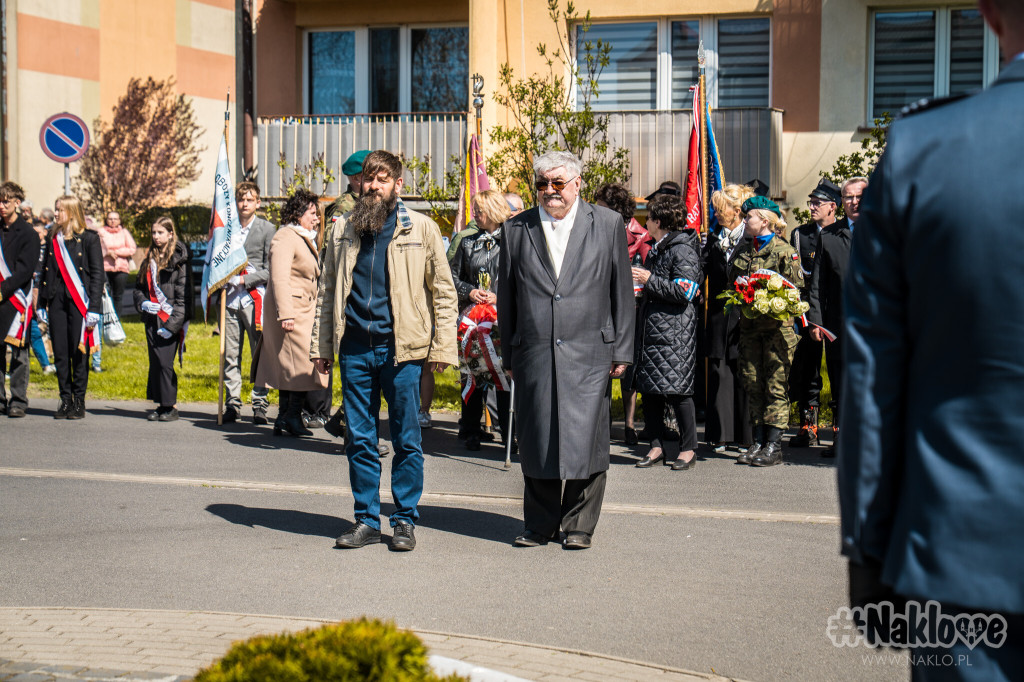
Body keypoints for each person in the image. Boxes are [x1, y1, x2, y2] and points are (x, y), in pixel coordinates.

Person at [841, 2, 1024, 677]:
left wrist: (868, 548)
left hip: (962, 552)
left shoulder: (927, 149)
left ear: (989, 13)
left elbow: (873, 376)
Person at [311, 150, 458, 552]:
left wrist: (443, 346)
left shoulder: (421, 229)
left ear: (398, 184)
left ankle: (405, 520)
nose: (372, 186)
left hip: (402, 352)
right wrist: (322, 344)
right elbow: (327, 292)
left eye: (381, 179)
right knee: (358, 438)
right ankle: (366, 520)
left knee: (407, 439)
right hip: (355, 349)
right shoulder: (342, 229)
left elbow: (444, 292)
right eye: (367, 179)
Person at [498, 150, 634, 550]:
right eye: (542, 184)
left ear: (577, 183)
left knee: (586, 440)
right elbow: (507, 299)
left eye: (558, 183)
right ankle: (539, 525)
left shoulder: (607, 223)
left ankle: (579, 526)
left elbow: (621, 292)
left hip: (591, 350)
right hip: (534, 351)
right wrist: (508, 354)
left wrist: (622, 350)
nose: (550, 191)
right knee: (538, 438)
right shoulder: (515, 229)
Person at [728, 196, 803, 467]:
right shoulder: (745, 250)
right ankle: (758, 441)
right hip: (749, 329)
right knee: (753, 382)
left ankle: (774, 445)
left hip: (776, 331)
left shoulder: (783, 250)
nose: (745, 220)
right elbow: (731, 279)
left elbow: (795, 290)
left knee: (775, 385)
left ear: (765, 220)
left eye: (749, 217)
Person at [630, 193, 702, 470]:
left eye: (647, 218)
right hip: (653, 330)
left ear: (658, 221)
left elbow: (685, 291)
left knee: (678, 391)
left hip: (674, 334)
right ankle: (656, 445)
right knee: (650, 390)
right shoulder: (661, 247)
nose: (645, 222)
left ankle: (688, 449)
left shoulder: (682, 249)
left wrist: (649, 280)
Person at [255, 189, 328, 437]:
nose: (317, 218)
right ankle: (291, 417)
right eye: (312, 213)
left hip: (302, 311)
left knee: (294, 366)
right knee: (298, 366)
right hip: (292, 313)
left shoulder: (303, 237)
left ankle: (284, 417)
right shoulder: (286, 237)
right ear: (298, 214)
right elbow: (279, 277)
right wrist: (285, 313)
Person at [807, 176, 865, 457]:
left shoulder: (886, 231)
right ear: (840, 202)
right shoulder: (829, 236)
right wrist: (816, 321)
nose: (854, 201)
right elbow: (817, 284)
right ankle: (842, 440)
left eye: (859, 196)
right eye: (848, 197)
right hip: (838, 325)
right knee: (840, 384)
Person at [450, 188, 511, 451]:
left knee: (503, 375)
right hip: (472, 320)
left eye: (480, 209)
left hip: (502, 320)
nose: (475, 213)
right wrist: (469, 291)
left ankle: (510, 434)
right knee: (473, 373)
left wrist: (499, 297)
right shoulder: (466, 242)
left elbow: (521, 279)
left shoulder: (512, 242)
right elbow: (450, 277)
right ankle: (471, 430)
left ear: (495, 211)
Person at [38, 195, 104, 419]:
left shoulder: (89, 238)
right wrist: (41, 302)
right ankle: (65, 399)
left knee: (79, 352)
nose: (56, 214)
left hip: (80, 303)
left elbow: (97, 275)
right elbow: (46, 270)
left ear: (72, 212)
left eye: (60, 210)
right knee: (60, 352)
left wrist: (94, 307)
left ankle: (79, 401)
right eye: (56, 210)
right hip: (57, 301)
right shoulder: (53, 236)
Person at [593, 183, 649, 445]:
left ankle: (629, 423)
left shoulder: (641, 236)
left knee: (627, 367)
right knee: (601, 365)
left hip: (630, 307)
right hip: (600, 305)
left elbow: (648, 270)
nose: (595, 211)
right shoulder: (594, 230)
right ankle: (599, 423)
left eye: (601, 206)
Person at [787, 178, 840, 448]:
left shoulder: (842, 233)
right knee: (807, 366)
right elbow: (799, 277)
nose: (811, 207)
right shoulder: (800, 234)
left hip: (836, 309)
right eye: (811, 202)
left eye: (817, 203)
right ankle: (808, 423)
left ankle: (839, 424)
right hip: (808, 309)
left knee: (837, 367)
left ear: (833, 206)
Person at [704, 183, 755, 452]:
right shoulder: (713, 240)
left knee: (742, 374)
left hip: (742, 317)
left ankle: (745, 436)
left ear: (736, 211)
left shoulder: (751, 239)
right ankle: (720, 434)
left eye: (719, 208)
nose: (715, 213)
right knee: (719, 372)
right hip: (717, 316)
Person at [221, 181, 275, 424]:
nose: (244, 204)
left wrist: (245, 281)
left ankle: (259, 404)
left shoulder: (267, 229)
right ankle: (232, 403)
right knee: (230, 354)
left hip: (254, 300)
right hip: (230, 301)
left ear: (258, 203)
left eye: (250, 199)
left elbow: (271, 269)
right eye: (241, 199)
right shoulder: (226, 229)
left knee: (258, 355)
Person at [134, 217, 188, 422]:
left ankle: (170, 406)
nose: (156, 237)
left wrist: (173, 324)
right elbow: (139, 289)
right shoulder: (150, 258)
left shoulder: (180, 260)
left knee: (166, 363)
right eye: (154, 233)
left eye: (160, 233)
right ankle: (160, 403)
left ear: (170, 234)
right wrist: (143, 303)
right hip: (152, 317)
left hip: (170, 318)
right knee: (155, 362)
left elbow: (183, 298)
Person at [0, 182, 40, 418]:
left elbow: (25, 270)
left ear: (17, 202)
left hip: (15, 300)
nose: (2, 206)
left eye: (6, 201)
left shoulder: (28, 233)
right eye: (0, 201)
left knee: (18, 353)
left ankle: (18, 399)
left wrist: (3, 289)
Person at [98, 211, 137, 317]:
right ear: (106, 220)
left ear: (119, 220)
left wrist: (116, 252)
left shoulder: (124, 232)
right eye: (110, 219)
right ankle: (106, 318)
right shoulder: (100, 232)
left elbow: (132, 248)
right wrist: (108, 252)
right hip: (105, 267)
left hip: (121, 268)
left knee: (118, 296)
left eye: (115, 219)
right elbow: (97, 247)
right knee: (106, 294)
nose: (113, 221)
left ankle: (117, 320)